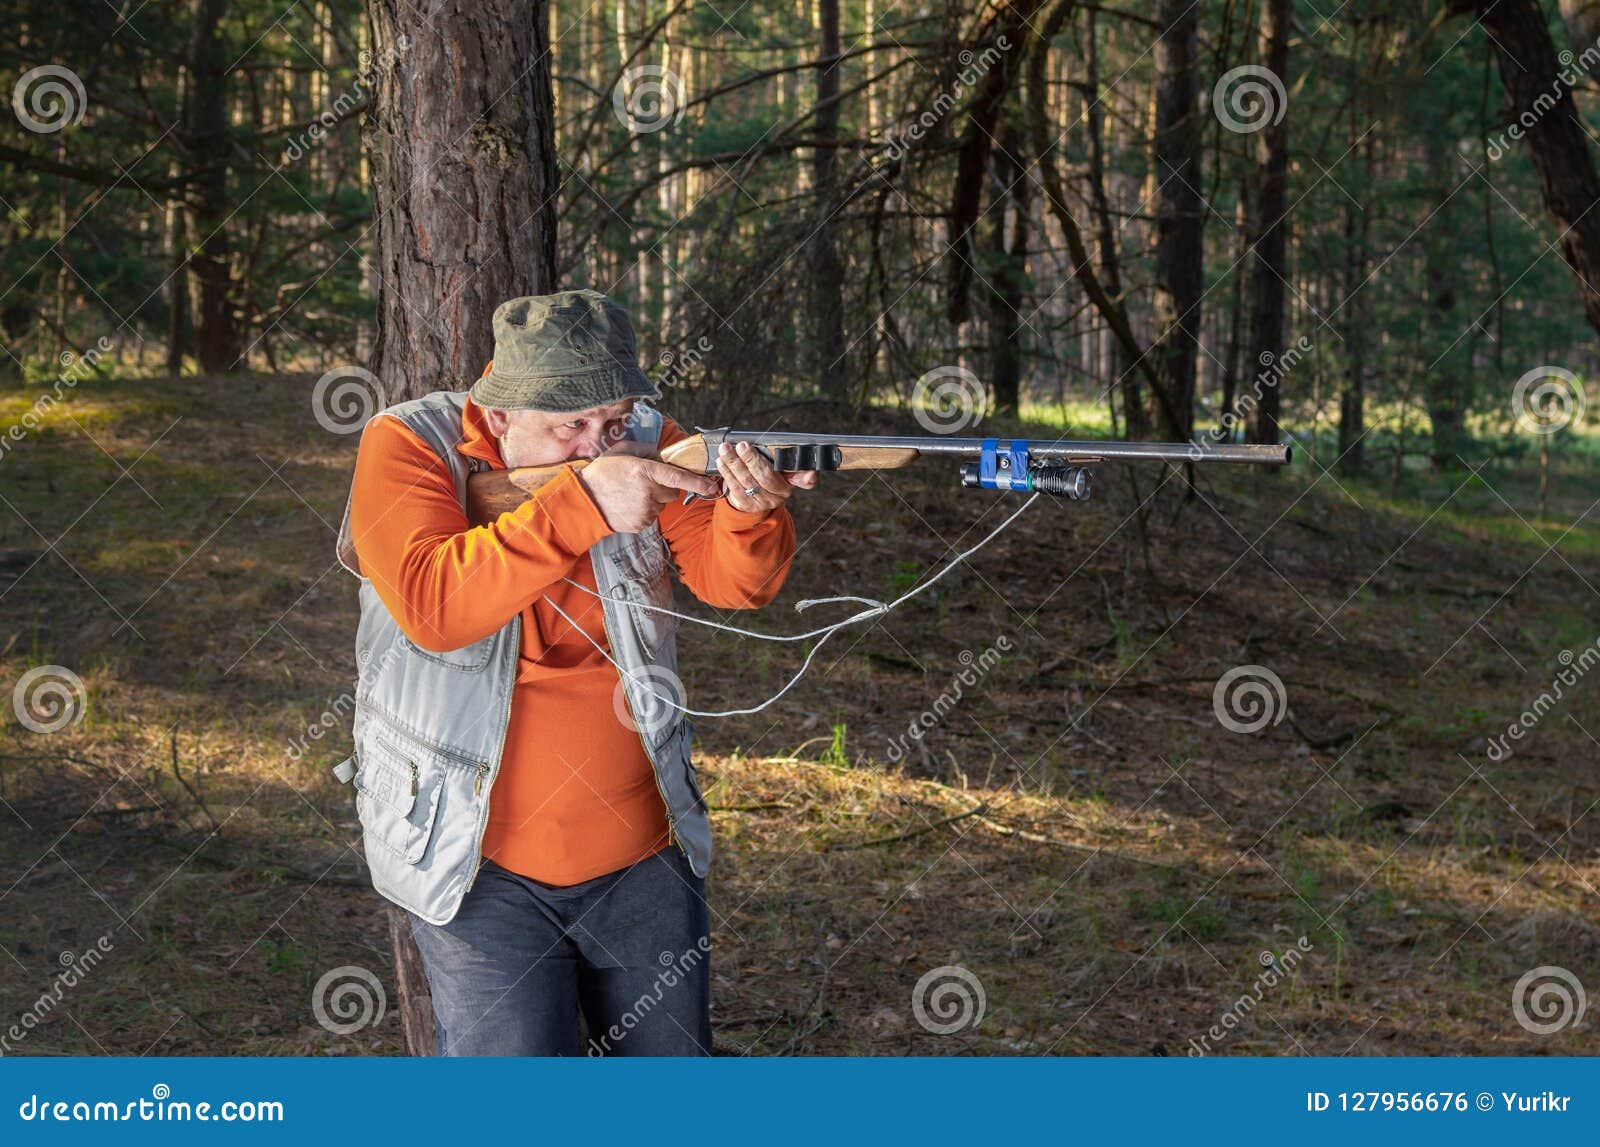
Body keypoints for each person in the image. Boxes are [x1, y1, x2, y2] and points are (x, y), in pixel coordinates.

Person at [331, 290, 816, 1054]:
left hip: (644, 855)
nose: (600, 448)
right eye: (571, 427)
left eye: (613, 422)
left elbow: (738, 584)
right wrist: (582, 505)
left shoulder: (657, 442)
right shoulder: (406, 443)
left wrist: (752, 511)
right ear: (497, 416)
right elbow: (433, 604)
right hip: (473, 866)